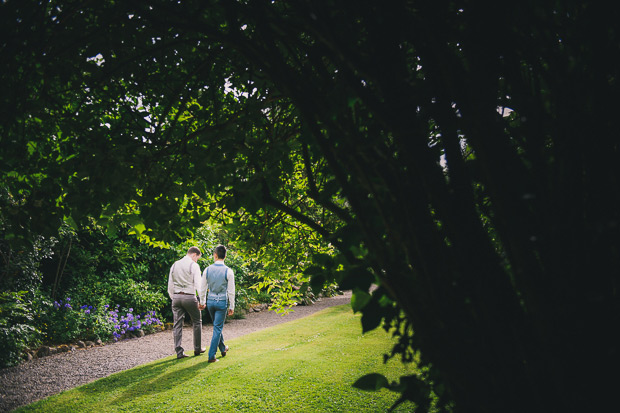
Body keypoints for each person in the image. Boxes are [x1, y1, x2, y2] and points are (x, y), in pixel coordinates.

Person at [167, 246, 207, 359]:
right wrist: (202, 301)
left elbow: (170, 284)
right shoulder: (194, 265)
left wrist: (173, 297)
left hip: (176, 297)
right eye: (197, 258)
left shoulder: (175, 264)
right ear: (194, 254)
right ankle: (197, 349)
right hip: (189, 296)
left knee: (177, 325)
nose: (196, 260)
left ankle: (179, 352)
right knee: (197, 322)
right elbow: (198, 285)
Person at [200, 244, 235, 363]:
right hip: (221, 302)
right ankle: (211, 356)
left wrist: (202, 301)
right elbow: (231, 291)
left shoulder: (207, 270)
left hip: (210, 302)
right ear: (225, 256)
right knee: (217, 327)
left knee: (217, 326)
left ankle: (223, 348)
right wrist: (232, 306)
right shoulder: (228, 271)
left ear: (215, 255)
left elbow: (202, 288)